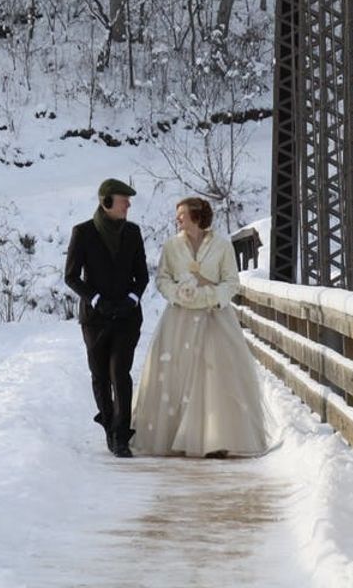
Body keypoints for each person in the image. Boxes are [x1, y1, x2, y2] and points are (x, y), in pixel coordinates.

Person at [131, 196, 268, 458]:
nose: (177, 219)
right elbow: (162, 279)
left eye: (181, 214)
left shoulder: (222, 245)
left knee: (214, 376)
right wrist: (178, 293)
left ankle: (215, 439)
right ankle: (174, 436)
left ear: (196, 215)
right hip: (178, 319)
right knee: (176, 374)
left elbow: (231, 282)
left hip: (213, 319)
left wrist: (209, 297)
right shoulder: (171, 246)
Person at [64, 178, 149, 457]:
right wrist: (96, 299)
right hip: (95, 319)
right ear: (107, 201)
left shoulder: (133, 232)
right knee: (100, 375)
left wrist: (132, 299)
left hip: (127, 317)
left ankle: (121, 435)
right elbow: (71, 276)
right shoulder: (83, 232)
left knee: (119, 373)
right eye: (124, 199)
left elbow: (142, 275)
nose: (129, 204)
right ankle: (110, 426)